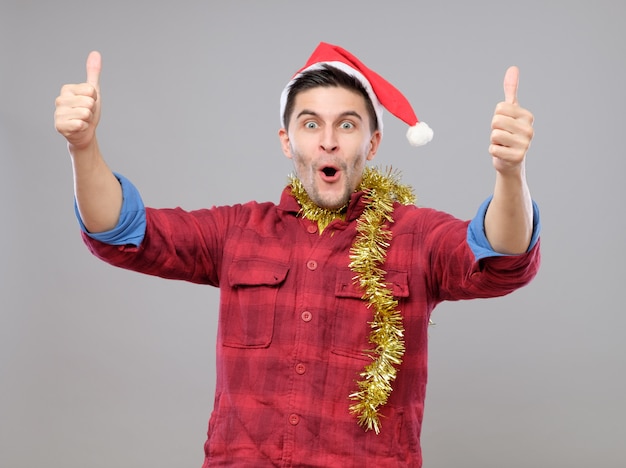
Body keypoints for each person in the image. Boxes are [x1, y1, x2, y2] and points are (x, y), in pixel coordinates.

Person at [54, 42, 541, 467]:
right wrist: (83, 145)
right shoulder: (236, 231)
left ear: (372, 143)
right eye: (311, 124)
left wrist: (510, 173)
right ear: (287, 141)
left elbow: (502, 254)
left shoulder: (414, 236)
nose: (328, 139)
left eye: (346, 125)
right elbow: (120, 232)